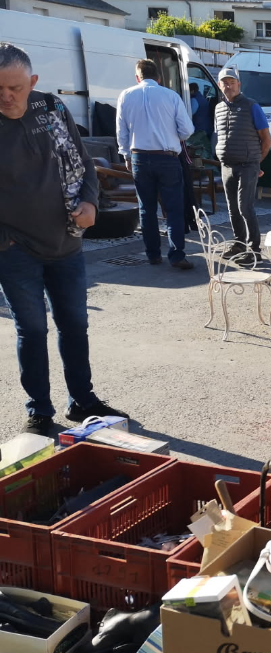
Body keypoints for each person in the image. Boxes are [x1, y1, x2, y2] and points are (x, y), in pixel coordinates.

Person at [0, 42, 127, 435]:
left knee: (74, 323)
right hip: (14, 246)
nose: (5, 96)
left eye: (15, 88)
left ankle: (83, 401)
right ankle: (39, 410)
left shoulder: (51, 109)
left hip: (66, 240)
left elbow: (83, 162)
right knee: (33, 328)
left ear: (33, 82)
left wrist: (90, 203)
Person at [116, 59, 194, 269]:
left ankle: (153, 254)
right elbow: (187, 130)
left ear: (137, 77)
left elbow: (121, 131)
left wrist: (126, 156)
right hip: (167, 156)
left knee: (146, 208)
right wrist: (171, 137)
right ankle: (176, 254)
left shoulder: (126, 95)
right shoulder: (171, 96)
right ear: (159, 77)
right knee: (174, 208)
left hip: (139, 156)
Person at [215, 67, 271, 266]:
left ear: (239, 84)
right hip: (227, 165)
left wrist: (256, 162)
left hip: (248, 165)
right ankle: (238, 245)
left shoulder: (251, 106)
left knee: (245, 207)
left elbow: (266, 140)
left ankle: (254, 250)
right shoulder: (219, 108)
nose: (228, 85)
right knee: (232, 209)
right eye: (224, 82)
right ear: (220, 85)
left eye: (232, 82)